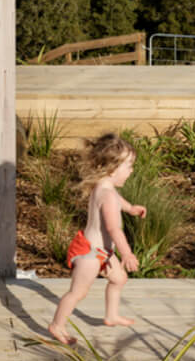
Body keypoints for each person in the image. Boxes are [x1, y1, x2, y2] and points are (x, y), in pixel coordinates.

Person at [47, 134, 146, 344]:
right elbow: (114, 229)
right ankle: (57, 325)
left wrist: (131, 209)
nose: (131, 170)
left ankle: (111, 316)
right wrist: (126, 253)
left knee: (119, 279)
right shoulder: (107, 194)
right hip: (89, 254)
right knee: (77, 293)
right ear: (112, 168)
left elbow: (119, 201)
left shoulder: (104, 187)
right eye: (128, 166)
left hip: (102, 253)